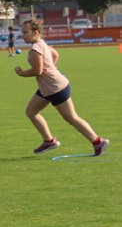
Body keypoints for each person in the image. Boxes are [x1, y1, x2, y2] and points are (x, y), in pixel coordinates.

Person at [15, 19, 109, 157]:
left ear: (35, 32)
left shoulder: (35, 49)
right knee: (31, 112)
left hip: (55, 87)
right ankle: (49, 141)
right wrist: (51, 68)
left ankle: (98, 142)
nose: (23, 35)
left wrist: (22, 73)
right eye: (22, 32)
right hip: (47, 88)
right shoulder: (41, 43)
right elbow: (55, 54)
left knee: (71, 118)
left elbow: (38, 71)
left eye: (25, 32)